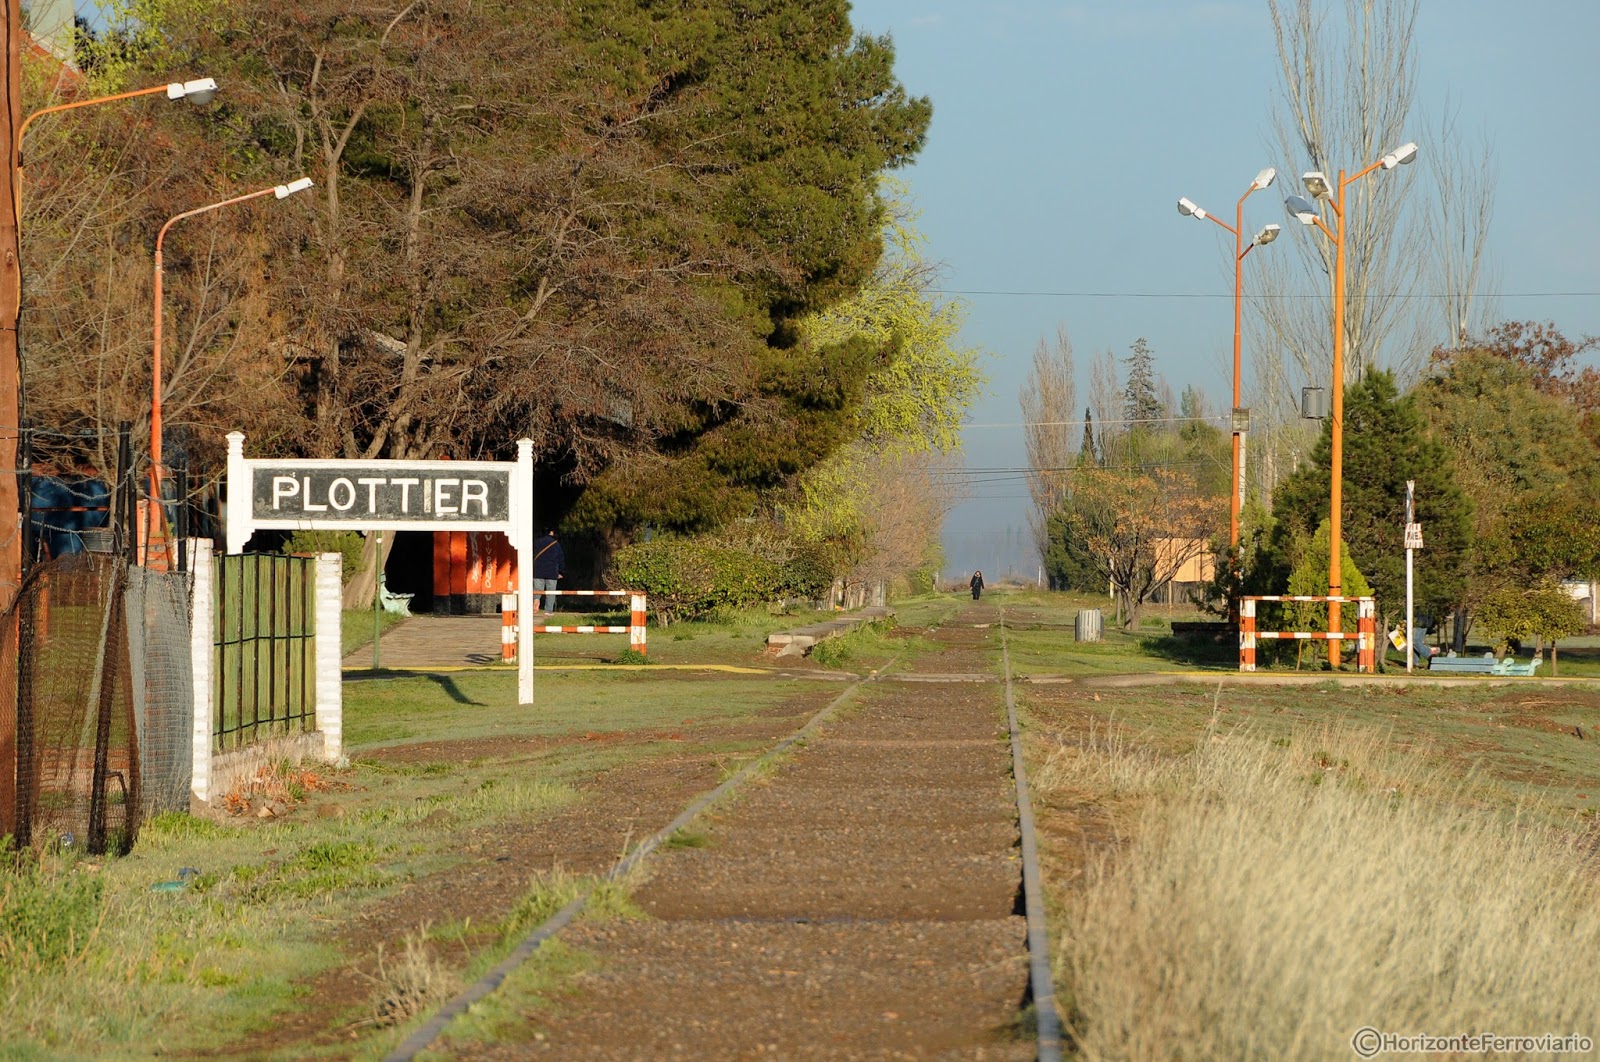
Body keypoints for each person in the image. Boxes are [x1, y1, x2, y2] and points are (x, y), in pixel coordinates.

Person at [531, 529, 564, 614]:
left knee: (537, 589)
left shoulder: (537, 542)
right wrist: (561, 571)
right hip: (552, 571)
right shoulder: (556, 544)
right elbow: (560, 558)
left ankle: (536, 601)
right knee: (551, 591)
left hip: (538, 570)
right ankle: (548, 610)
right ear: (552, 532)